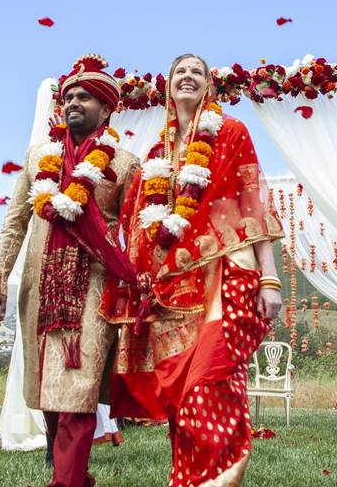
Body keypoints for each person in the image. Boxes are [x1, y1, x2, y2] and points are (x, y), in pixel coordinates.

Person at [101, 53, 284, 486]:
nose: (187, 77)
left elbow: (251, 202)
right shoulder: (155, 154)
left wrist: (270, 277)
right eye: (179, 72)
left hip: (225, 275)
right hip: (170, 293)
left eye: (196, 72)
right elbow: (137, 221)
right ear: (168, 87)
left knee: (209, 387)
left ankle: (220, 479)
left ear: (208, 85)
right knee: (181, 401)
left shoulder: (231, 133)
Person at [0, 53, 139, 487]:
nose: (73, 102)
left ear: (106, 109)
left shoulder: (123, 164)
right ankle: (73, 473)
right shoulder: (39, 158)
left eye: (85, 97)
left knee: (76, 390)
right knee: (48, 396)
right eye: (69, 96)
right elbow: (15, 221)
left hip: (94, 287)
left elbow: (136, 231)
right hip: (39, 286)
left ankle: (67, 480)